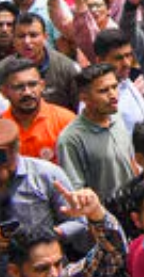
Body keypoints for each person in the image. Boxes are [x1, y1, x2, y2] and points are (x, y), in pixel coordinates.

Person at [0, 118, 82, 277]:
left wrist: (50, 236)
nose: (2, 175)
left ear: (17, 151)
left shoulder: (47, 176)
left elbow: (80, 222)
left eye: (7, 167)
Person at [54, 63, 134, 194]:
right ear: (84, 97)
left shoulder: (117, 117)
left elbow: (131, 163)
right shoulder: (70, 139)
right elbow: (76, 190)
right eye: (103, 91)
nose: (113, 95)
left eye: (114, 87)